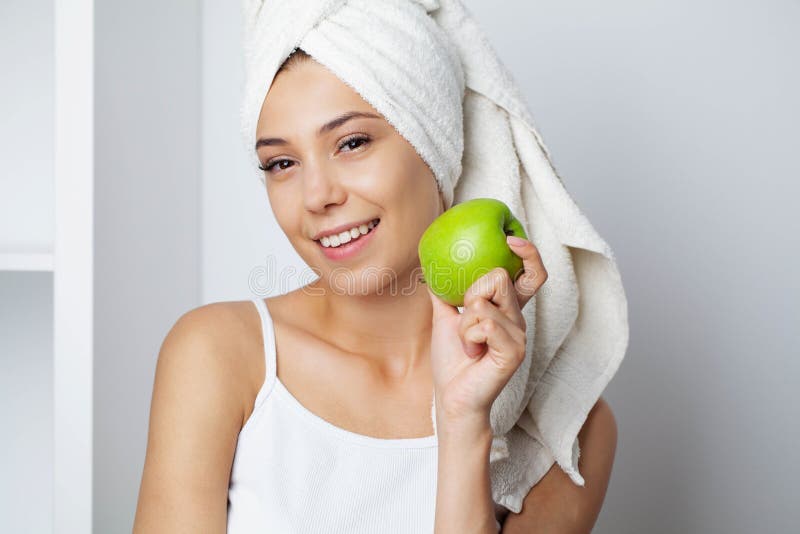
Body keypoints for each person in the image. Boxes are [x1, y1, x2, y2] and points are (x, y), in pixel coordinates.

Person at [133, 46, 617, 534]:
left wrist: (463, 422)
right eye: (281, 163)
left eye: (352, 142)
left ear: (434, 144)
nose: (317, 196)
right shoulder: (219, 354)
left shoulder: (566, 430)